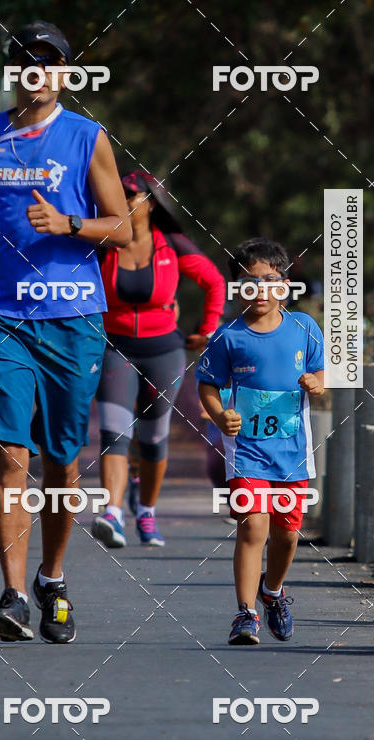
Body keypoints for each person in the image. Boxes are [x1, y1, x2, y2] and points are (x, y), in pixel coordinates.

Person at [0, 21, 131, 644]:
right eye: (27, 62)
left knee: (62, 461)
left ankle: (54, 580)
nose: (38, 72)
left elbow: (124, 229)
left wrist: (66, 223)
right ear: (14, 71)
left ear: (64, 74)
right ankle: (12, 594)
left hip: (72, 318)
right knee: (9, 455)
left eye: (49, 63)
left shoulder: (88, 137)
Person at [196, 237, 324, 645]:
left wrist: (316, 383)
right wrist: (221, 416)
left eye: (270, 280)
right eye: (249, 281)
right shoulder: (227, 337)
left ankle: (272, 591)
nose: (260, 290)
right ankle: (245, 614)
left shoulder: (304, 328)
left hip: (292, 453)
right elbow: (208, 386)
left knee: (287, 534)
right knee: (253, 526)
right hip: (247, 452)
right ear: (238, 287)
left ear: (285, 285)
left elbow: (325, 373)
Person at [91, 170, 225, 548]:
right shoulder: (103, 243)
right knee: (114, 434)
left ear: (149, 202)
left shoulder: (173, 245)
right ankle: (112, 514)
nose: (121, 199)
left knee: (152, 441)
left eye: (129, 194)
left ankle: (146, 511)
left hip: (164, 351)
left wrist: (208, 328)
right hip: (115, 348)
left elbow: (215, 282)